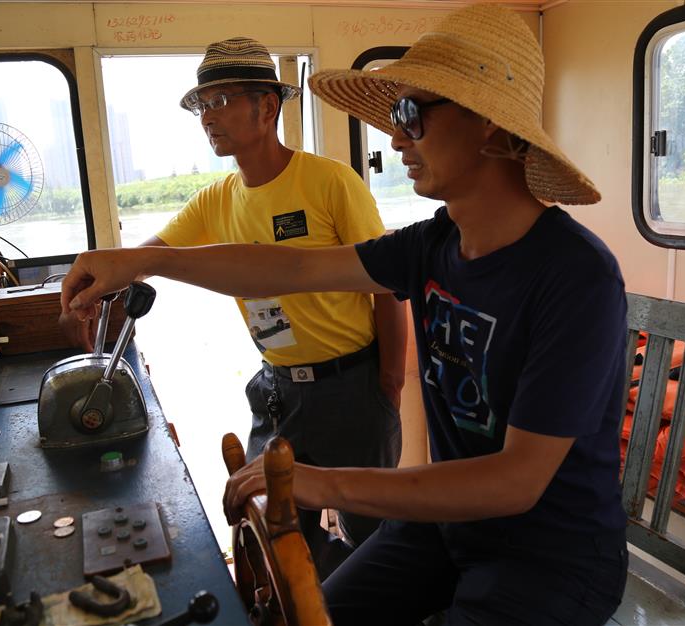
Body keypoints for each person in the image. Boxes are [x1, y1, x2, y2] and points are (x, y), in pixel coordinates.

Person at [60, 5, 628, 624]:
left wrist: (326, 481)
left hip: (548, 556)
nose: (395, 138)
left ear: (490, 128)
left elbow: (515, 482)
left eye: (411, 114)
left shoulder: (575, 276)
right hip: (451, 530)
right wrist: (134, 262)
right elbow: (293, 269)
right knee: (307, 617)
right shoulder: (434, 244)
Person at [62, 36, 406, 579]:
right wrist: (98, 281)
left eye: (220, 101)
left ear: (266, 107)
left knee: (375, 536)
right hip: (277, 388)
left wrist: (388, 381)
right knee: (281, 531)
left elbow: (387, 284)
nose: (207, 117)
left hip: (351, 385)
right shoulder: (216, 199)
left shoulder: (329, 181)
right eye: (202, 104)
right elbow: (149, 257)